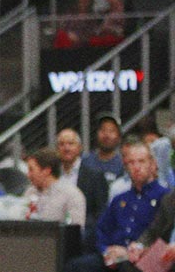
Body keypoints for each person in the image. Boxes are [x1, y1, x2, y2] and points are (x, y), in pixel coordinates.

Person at [66, 141, 168, 272]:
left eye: (141, 161)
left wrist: (131, 252)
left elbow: (161, 236)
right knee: (75, 266)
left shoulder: (164, 197)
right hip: (113, 255)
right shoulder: (120, 199)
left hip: (143, 258)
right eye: (131, 163)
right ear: (125, 167)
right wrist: (106, 251)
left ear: (152, 165)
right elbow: (102, 229)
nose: (136, 167)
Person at [56, 128, 110, 227]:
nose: (66, 148)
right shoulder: (54, 175)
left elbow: (100, 213)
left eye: (71, 143)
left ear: (79, 147)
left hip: (84, 234)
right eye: (62, 144)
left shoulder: (95, 176)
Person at [83, 113, 125, 186]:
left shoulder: (123, 163)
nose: (106, 135)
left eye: (111, 131)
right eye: (103, 129)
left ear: (119, 137)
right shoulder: (86, 161)